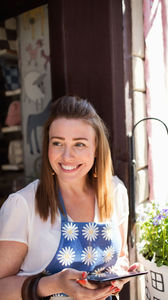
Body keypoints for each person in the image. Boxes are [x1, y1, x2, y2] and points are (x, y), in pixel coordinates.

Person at [0, 95, 138, 300]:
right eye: (57, 143)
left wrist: (116, 276)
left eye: (79, 144)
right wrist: (53, 284)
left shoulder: (115, 191)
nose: (66, 156)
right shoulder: (23, 205)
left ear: (97, 149)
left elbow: (121, 257)